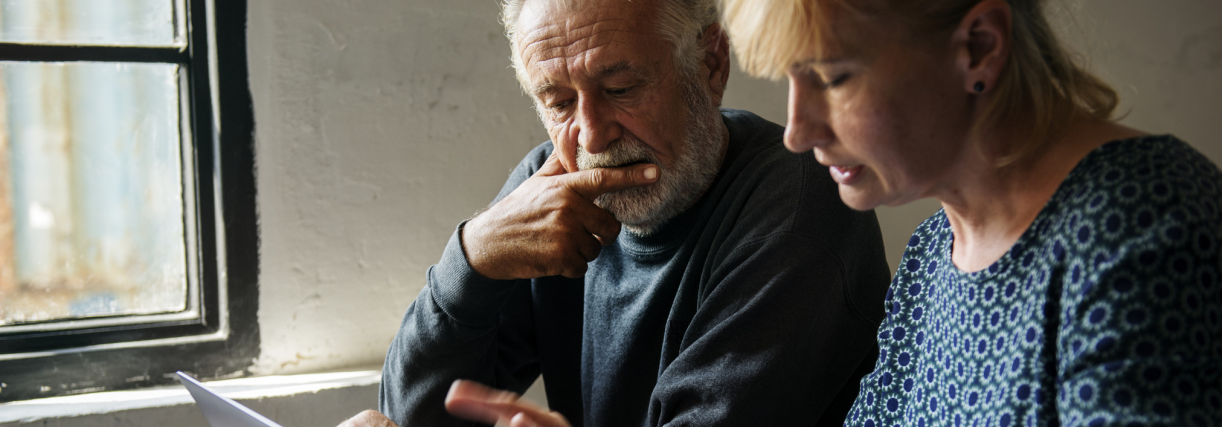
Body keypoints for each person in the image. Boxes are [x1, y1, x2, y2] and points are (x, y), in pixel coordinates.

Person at [425, 0, 1222, 425]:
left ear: (979, 47)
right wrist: (469, 260)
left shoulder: (1143, 227)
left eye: (833, 77)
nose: (797, 130)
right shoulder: (936, 255)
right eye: (790, 81)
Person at [357, 0, 894, 425]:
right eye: (559, 102)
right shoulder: (551, 192)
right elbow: (406, 418)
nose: (592, 136)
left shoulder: (798, 213)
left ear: (711, 65)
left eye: (620, 88)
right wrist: (471, 260)